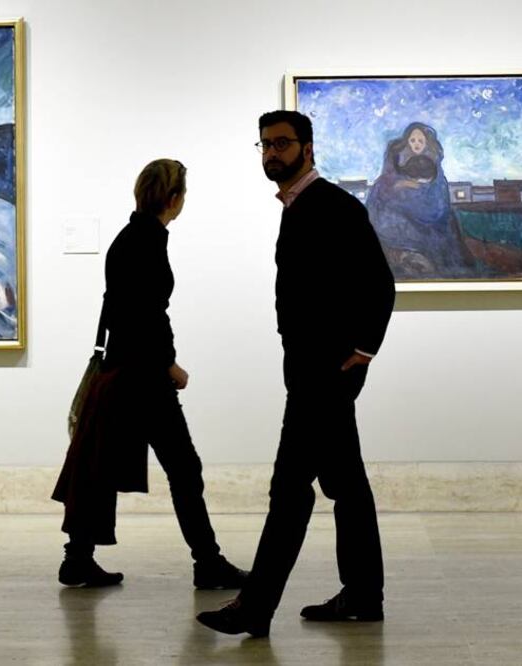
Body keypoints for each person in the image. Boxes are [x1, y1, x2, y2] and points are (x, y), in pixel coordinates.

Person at [196, 112, 395, 637]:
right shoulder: (300, 207)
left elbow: (379, 282)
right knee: (347, 485)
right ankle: (363, 595)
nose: (271, 154)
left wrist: (363, 349)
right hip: (313, 372)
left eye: (282, 144)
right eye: (264, 145)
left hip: (323, 375)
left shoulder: (331, 206)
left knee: (289, 490)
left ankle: (255, 606)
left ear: (308, 148)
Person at [51, 158, 248, 590]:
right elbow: (147, 316)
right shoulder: (147, 242)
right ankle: (208, 562)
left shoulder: (130, 237)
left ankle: (78, 558)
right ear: (175, 199)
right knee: (184, 468)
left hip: (121, 369)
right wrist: (170, 364)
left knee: (96, 467)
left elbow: (122, 309)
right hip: (142, 376)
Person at [366, 121, 474, 279]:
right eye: (412, 140)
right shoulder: (396, 159)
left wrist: (418, 188)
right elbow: (384, 187)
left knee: (443, 224)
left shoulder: (434, 164)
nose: (416, 144)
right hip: (395, 213)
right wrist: (402, 185)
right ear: (407, 141)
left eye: (420, 141)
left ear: (427, 142)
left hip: (428, 211)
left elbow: (437, 201)